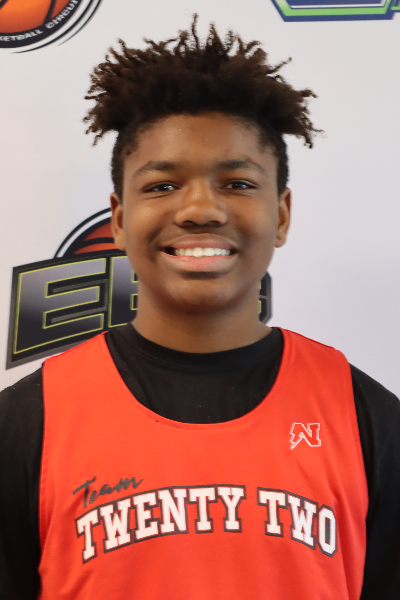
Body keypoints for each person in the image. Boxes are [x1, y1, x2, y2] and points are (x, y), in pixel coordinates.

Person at [0, 16, 399, 600]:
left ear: (281, 214)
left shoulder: (367, 418)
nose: (200, 210)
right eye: (162, 186)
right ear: (118, 219)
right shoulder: (27, 423)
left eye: (237, 183)